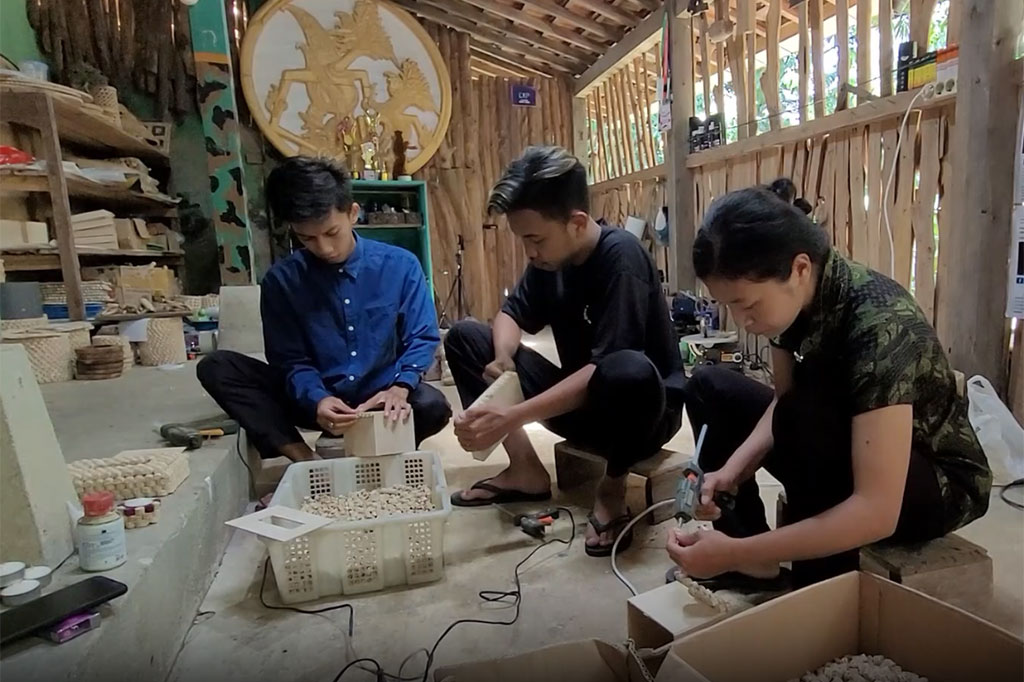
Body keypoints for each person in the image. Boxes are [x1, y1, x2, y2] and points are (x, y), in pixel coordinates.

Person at [666, 181, 992, 589]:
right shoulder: (790, 304)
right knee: (710, 385)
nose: (741, 322)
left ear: (800, 268)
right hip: (843, 443)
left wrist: (734, 550)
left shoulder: (880, 324)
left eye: (747, 305)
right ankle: (752, 559)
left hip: (931, 483)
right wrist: (731, 472)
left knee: (810, 415)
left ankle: (815, 592)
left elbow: (876, 509)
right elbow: (782, 403)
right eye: (730, 305)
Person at [444, 146, 684, 557]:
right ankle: (524, 468)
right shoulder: (548, 262)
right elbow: (510, 314)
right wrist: (502, 359)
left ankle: (612, 486)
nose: (530, 252)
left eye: (535, 239)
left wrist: (514, 413)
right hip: (584, 406)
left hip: (638, 416)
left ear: (576, 223)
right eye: (523, 240)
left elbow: (606, 369)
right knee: (466, 336)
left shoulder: (620, 256)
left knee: (625, 368)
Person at [197, 157, 451, 469]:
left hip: (380, 397)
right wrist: (317, 399)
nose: (325, 248)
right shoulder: (282, 281)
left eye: (332, 232)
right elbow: (289, 360)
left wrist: (400, 386)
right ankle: (306, 460)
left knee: (433, 405)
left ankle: (381, 449)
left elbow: (422, 336)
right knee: (218, 367)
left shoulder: (400, 265)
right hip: (316, 402)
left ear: (353, 213)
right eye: (308, 238)